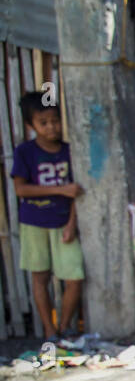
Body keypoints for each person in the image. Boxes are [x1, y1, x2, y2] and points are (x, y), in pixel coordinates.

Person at [11, 92, 83, 340]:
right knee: (40, 278)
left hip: (63, 222)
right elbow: (21, 189)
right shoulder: (24, 153)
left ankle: (63, 327)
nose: (51, 127)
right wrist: (60, 189)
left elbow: (76, 194)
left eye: (55, 120)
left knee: (74, 277)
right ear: (31, 126)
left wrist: (72, 224)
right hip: (34, 223)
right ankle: (49, 331)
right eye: (44, 122)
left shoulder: (70, 152)